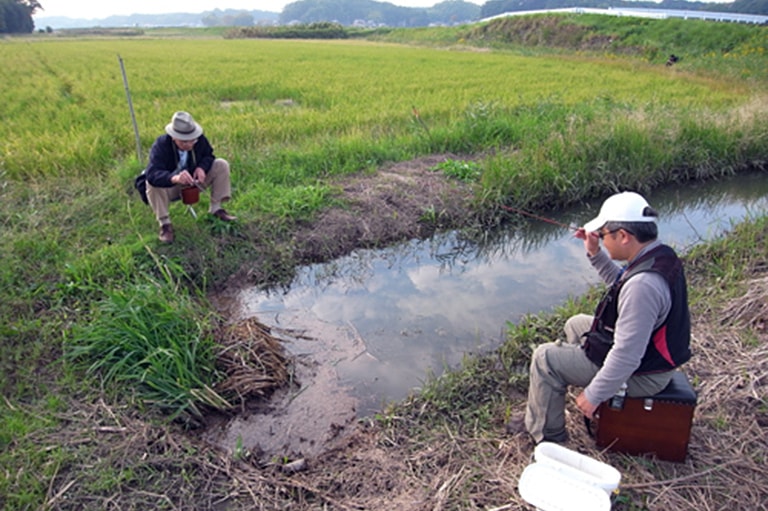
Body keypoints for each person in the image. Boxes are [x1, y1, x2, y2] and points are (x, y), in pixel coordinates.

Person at [507, 191, 691, 444]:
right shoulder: (658, 255)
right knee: (576, 323)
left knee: (545, 358)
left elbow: (627, 355)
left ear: (624, 236)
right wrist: (595, 252)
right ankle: (550, 403)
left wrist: (594, 394)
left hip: (645, 373)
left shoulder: (644, 286)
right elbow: (622, 284)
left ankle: (549, 435)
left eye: (604, 235)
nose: (602, 240)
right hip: (650, 355)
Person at [144, 111, 236, 243]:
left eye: (192, 140)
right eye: (184, 141)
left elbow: (209, 156)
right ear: (173, 137)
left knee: (221, 164)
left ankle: (216, 209)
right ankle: (165, 224)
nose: (189, 144)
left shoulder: (199, 140)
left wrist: (202, 168)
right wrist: (174, 178)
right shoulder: (161, 145)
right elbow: (152, 173)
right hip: (171, 188)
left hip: (195, 182)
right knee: (151, 182)